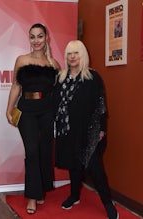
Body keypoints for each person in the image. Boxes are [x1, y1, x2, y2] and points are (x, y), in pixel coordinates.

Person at [53, 40, 119, 219]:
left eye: (76, 53)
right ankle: (74, 196)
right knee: (73, 165)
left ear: (83, 55)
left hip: (89, 130)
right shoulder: (60, 77)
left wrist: (101, 129)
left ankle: (107, 203)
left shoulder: (92, 77)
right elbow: (55, 104)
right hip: (67, 130)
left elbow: (100, 105)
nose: (72, 57)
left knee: (95, 168)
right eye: (69, 53)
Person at [6, 23, 60, 214]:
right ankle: (32, 196)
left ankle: (41, 190)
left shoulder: (53, 64)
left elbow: (58, 90)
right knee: (32, 150)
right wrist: (9, 109)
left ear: (46, 38)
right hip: (26, 110)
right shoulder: (21, 60)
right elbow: (15, 86)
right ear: (29, 39)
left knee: (45, 150)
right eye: (32, 37)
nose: (36, 40)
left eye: (40, 36)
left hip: (47, 111)